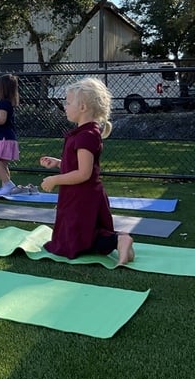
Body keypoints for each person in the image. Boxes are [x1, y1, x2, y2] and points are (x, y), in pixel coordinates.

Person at [40, 77, 135, 265]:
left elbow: (84, 173)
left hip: (81, 196)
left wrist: (54, 179)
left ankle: (119, 240)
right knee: (84, 232)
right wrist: (59, 163)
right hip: (83, 194)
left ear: (82, 107)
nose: (64, 106)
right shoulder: (86, 134)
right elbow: (79, 165)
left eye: (68, 103)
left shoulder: (85, 136)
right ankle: (120, 242)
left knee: (79, 238)